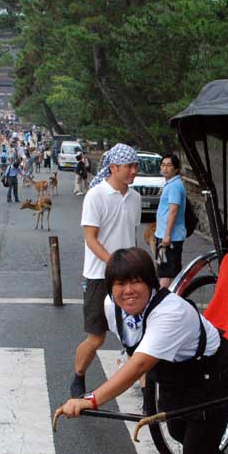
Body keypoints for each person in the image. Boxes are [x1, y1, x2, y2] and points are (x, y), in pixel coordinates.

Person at [56, 248, 228, 454]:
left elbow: (139, 364)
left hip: (210, 373)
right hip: (173, 374)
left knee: (196, 453)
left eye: (136, 281)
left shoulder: (170, 312)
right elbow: (134, 348)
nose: (128, 290)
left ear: (151, 283)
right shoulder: (113, 305)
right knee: (178, 431)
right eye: (120, 284)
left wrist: (90, 400)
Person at [70, 143, 142, 399]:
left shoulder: (135, 197)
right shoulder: (96, 196)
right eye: (130, 166)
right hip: (99, 276)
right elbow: (91, 239)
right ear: (113, 168)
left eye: (136, 166)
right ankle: (78, 375)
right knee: (96, 337)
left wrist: (136, 266)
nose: (135, 171)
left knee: (139, 337)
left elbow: (131, 236)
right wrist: (114, 263)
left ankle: (147, 392)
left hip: (129, 277)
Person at [154, 154, 187, 288]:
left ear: (177, 169)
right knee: (164, 269)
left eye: (169, 165)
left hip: (169, 239)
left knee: (166, 272)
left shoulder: (174, 186)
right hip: (163, 236)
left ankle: (164, 301)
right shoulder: (171, 184)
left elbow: (173, 211)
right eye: (163, 165)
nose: (165, 168)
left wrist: (167, 235)